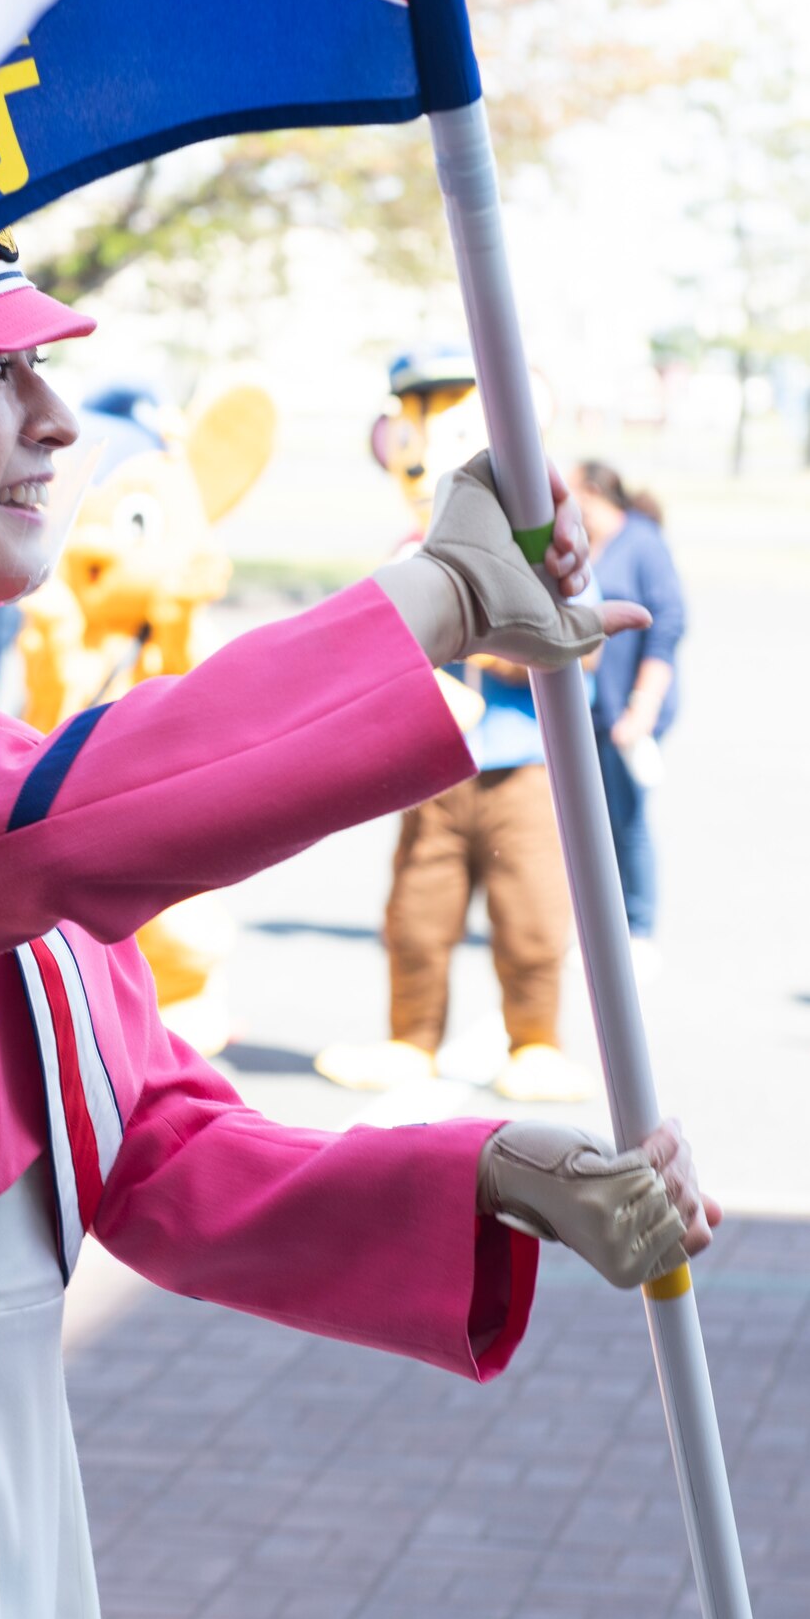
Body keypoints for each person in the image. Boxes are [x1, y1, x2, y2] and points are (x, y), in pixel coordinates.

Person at [0, 239, 717, 1619]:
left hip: (14, 1496)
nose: (56, 422)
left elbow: (157, 1156)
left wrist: (499, 1171)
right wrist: (425, 603)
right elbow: (23, 847)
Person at [317, 346, 593, 1102]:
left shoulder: (541, 540)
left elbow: (577, 636)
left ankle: (534, 1038)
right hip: (430, 768)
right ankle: (410, 1037)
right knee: (415, 911)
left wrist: (495, 643)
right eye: (416, 421)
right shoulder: (407, 549)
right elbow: (371, 641)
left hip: (520, 767)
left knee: (531, 913)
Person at [569, 461, 686, 969]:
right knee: (590, 821)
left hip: (626, 709)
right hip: (589, 710)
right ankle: (602, 928)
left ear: (592, 493)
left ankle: (639, 931)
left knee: (628, 819)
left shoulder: (642, 542)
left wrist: (643, 705)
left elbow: (668, 626)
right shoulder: (585, 544)